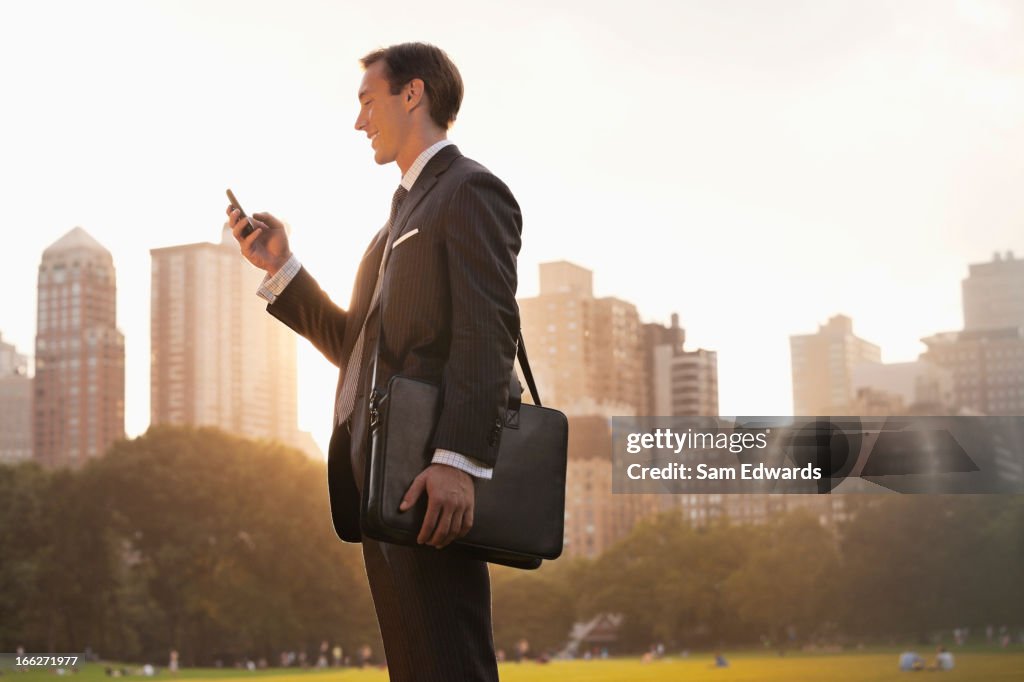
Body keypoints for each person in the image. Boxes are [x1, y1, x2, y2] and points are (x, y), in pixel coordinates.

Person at [228, 42, 521, 682]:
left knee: (452, 664)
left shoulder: (471, 191)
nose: (360, 121)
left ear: (412, 94)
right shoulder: (390, 229)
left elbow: (488, 334)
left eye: (368, 101)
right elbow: (358, 354)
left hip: (430, 477)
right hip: (381, 485)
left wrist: (457, 462)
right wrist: (281, 267)